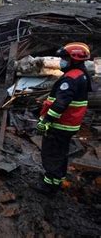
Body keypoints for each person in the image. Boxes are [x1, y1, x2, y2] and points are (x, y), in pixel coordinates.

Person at [33, 42, 92, 197]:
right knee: (60, 153)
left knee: (51, 154)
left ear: (74, 59)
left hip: (60, 125)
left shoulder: (71, 78)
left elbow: (60, 104)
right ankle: (56, 181)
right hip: (70, 124)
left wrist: (46, 121)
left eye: (64, 58)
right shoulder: (82, 75)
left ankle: (49, 187)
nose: (61, 61)